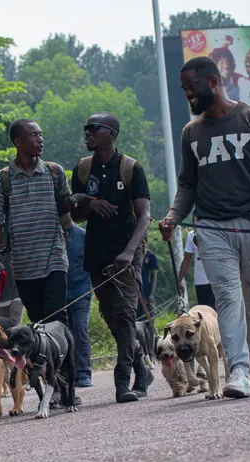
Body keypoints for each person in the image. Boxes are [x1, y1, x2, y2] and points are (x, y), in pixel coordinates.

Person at [160, 56, 250, 399]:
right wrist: (173, 215)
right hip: (210, 227)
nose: (188, 95)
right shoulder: (191, 132)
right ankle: (239, 371)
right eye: (184, 89)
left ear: (214, 82)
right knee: (228, 297)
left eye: (192, 87)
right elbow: (187, 185)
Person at [71, 112, 153, 403]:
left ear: (111, 133)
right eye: (86, 129)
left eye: (93, 128)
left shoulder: (131, 168)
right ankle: (142, 367)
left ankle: (123, 381)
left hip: (127, 251)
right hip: (96, 252)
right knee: (111, 315)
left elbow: (144, 216)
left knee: (125, 313)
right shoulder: (82, 169)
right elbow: (76, 214)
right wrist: (90, 206)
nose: (87, 133)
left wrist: (130, 252)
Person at [0, 119, 72, 326]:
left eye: (40, 134)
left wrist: (77, 202)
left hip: (54, 257)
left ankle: (65, 359)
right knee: (37, 320)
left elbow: (65, 210)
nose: (40, 140)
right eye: (34, 135)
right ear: (18, 141)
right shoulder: (1, 180)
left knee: (57, 318)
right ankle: (45, 359)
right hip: (23, 264)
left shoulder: (54, 172)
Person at [62, 213, 93, 387]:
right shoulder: (56, 236)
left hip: (81, 292)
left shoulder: (82, 235)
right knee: (65, 334)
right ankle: (67, 375)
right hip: (60, 293)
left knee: (80, 329)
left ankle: (84, 373)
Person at [177, 230, 216, 309]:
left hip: (217, 279)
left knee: (217, 311)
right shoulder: (191, 235)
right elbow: (187, 260)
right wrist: (179, 280)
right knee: (204, 311)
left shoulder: (217, 232)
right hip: (201, 281)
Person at [139, 249, 159, 317]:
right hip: (134, 291)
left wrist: (151, 294)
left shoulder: (150, 255)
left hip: (146, 291)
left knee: (148, 317)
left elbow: (153, 276)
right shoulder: (131, 254)